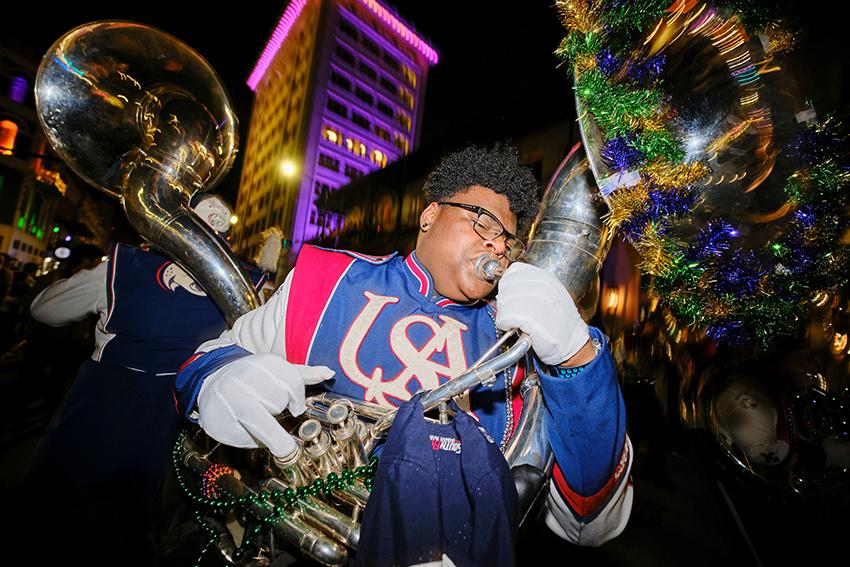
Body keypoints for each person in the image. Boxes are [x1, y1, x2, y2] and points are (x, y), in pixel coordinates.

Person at [175, 144, 633, 560]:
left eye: (509, 241)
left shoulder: (521, 343)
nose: (498, 245)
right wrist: (220, 379)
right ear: (430, 215)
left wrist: (576, 357)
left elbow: (588, 521)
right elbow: (204, 362)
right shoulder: (324, 279)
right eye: (483, 220)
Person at [20, 194, 267, 565]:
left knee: (61, 520)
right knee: (135, 527)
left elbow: (44, 310)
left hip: (107, 411)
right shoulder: (246, 282)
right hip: (172, 417)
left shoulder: (125, 268)